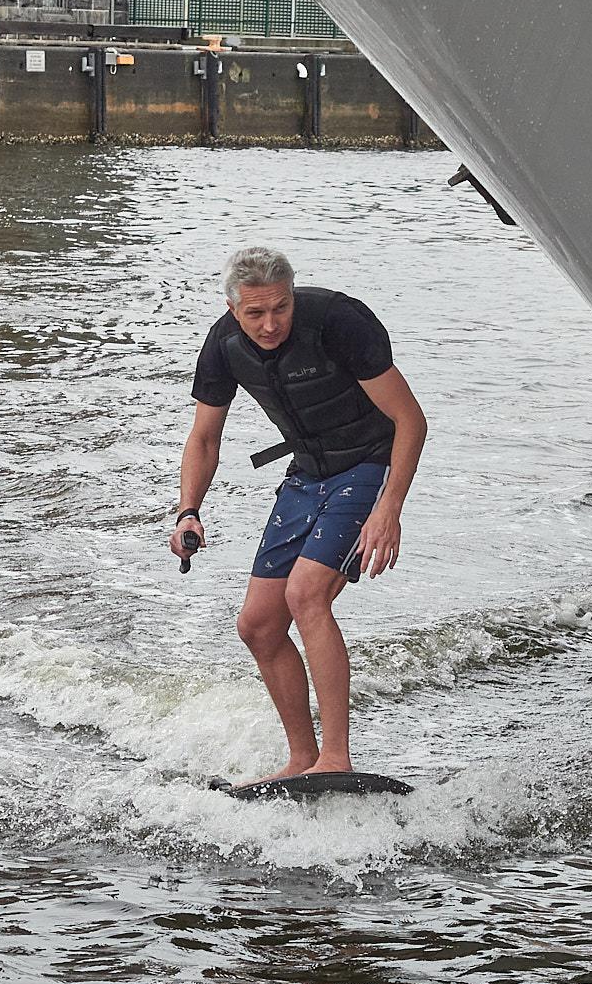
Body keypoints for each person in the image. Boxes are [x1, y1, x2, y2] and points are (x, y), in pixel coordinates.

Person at [169, 246, 427, 786]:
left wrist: (389, 509)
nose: (270, 324)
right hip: (307, 475)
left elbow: (410, 420)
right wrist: (188, 511)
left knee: (306, 594)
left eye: (280, 308)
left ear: (293, 295)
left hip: (368, 464)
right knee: (258, 625)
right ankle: (303, 760)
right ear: (232, 308)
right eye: (255, 313)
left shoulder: (338, 321)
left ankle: (337, 757)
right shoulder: (223, 344)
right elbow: (205, 437)